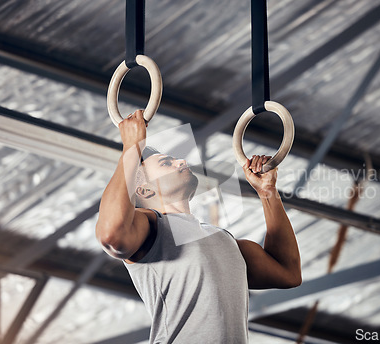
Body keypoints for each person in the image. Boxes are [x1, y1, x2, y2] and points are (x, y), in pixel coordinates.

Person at [95, 110, 301, 343]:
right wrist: (132, 147)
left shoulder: (224, 239)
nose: (182, 161)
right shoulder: (152, 227)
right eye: (167, 163)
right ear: (145, 189)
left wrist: (268, 193)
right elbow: (111, 234)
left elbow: (288, 273)